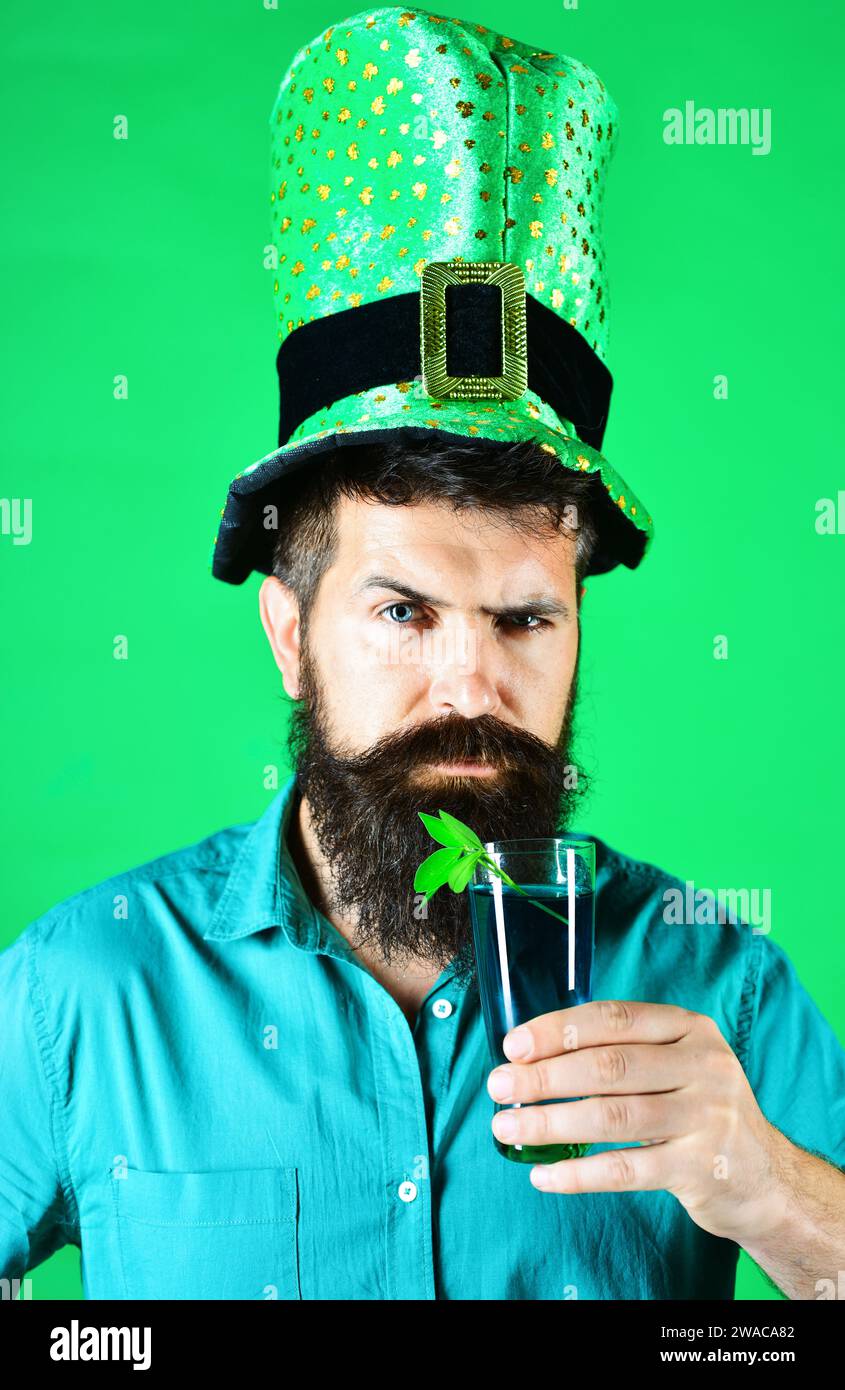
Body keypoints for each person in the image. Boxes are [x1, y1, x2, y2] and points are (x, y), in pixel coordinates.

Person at [2, 7, 843, 1302]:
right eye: (402, 613)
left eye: (524, 619)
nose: (470, 688)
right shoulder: (83, 983)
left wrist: (773, 1189)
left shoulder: (718, 979)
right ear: (289, 633)